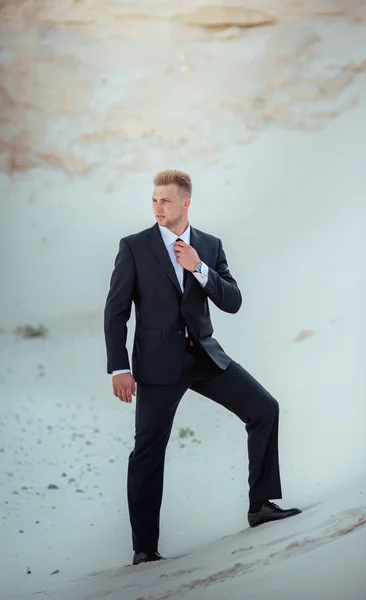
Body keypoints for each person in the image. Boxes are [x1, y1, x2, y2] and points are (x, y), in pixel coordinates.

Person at [104, 169, 301, 566]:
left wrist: (199, 267)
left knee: (265, 408)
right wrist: (118, 367)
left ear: (186, 203)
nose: (158, 207)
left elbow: (233, 300)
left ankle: (260, 505)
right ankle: (144, 549)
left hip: (205, 356)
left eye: (166, 200)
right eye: (154, 200)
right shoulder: (135, 246)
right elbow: (116, 311)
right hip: (158, 365)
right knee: (148, 450)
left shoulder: (209, 246)